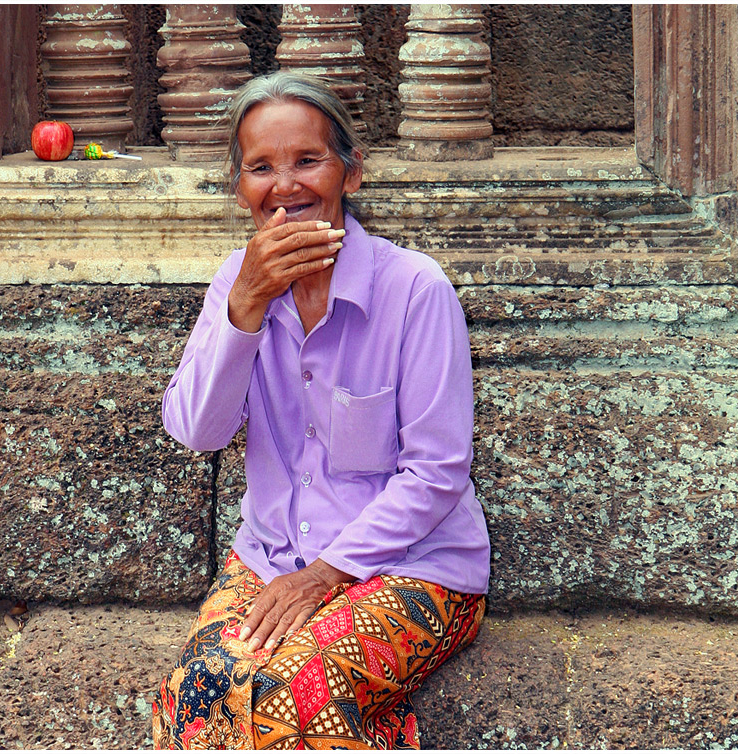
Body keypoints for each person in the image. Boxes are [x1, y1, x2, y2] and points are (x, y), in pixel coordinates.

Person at [152, 71, 491, 750]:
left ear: (351, 174)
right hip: (272, 558)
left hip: (416, 565)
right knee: (203, 683)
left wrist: (326, 576)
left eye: (308, 160)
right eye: (261, 168)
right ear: (239, 185)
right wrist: (243, 309)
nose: (286, 186)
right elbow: (198, 430)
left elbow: (436, 472)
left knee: (293, 690)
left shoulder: (413, 289)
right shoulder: (236, 281)